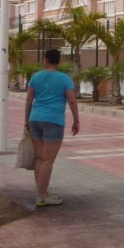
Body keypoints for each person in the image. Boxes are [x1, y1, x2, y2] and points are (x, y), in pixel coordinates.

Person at [24, 49, 80, 207]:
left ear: (46, 59)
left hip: (35, 119)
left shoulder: (36, 76)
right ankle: (42, 196)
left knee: (40, 158)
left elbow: (29, 100)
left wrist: (26, 119)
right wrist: (76, 120)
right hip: (54, 120)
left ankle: (41, 192)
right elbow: (72, 100)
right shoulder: (65, 79)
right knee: (48, 160)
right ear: (58, 61)